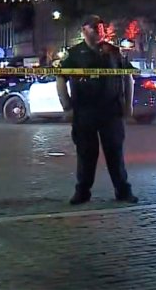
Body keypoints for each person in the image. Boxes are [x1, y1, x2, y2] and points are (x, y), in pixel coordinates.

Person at [56, 15, 138, 205]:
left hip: (111, 111)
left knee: (115, 152)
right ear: (84, 30)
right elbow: (60, 78)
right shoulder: (74, 54)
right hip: (85, 111)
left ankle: (123, 190)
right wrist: (67, 106)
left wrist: (128, 105)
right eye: (94, 27)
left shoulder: (113, 52)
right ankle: (82, 191)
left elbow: (128, 77)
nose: (99, 30)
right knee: (86, 153)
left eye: (101, 26)